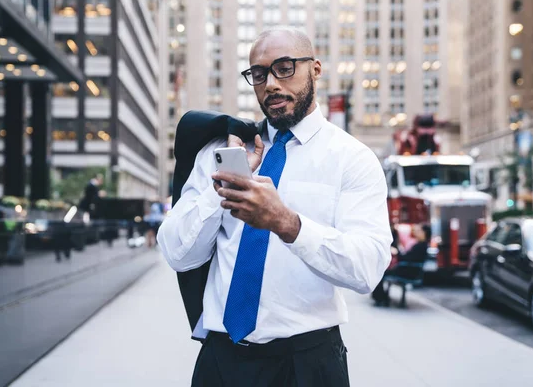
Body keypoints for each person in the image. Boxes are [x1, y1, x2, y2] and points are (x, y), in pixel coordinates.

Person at [158, 27, 392, 387]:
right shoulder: (224, 150)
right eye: (259, 73)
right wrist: (218, 190)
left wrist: (288, 224)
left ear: (315, 69)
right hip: (221, 360)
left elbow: (367, 269)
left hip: (307, 364)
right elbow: (178, 253)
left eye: (285, 68)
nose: (270, 84)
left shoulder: (352, 160)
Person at [371, 224, 431, 306]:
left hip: (407, 271)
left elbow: (406, 258)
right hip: (409, 270)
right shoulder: (422, 245)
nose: (416, 232)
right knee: (382, 272)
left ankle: (380, 297)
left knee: (380, 272)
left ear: (424, 233)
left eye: (418, 231)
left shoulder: (420, 246)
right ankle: (381, 297)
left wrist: (396, 252)